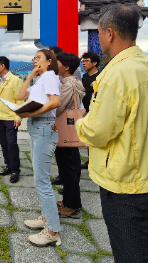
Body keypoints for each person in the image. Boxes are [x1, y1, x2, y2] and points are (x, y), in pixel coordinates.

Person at [76, 4, 148, 262]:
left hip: (124, 179)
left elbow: (98, 131)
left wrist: (79, 123)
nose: (99, 38)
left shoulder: (117, 74)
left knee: (131, 253)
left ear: (109, 33)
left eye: (98, 32)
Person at [15, 49, 62, 247]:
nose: (35, 60)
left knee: (42, 181)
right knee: (39, 177)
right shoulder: (40, 79)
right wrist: (30, 75)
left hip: (43, 127)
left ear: (50, 62)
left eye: (39, 58)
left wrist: (31, 115)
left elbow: (55, 102)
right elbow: (19, 96)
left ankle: (52, 230)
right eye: (33, 58)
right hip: (37, 128)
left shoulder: (50, 76)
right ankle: (46, 218)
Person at [54, 51, 85, 220]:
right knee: (68, 167)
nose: (54, 65)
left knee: (68, 167)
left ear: (66, 67)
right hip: (68, 130)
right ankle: (68, 201)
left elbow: (58, 107)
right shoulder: (72, 82)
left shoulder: (67, 85)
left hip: (66, 129)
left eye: (57, 63)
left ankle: (72, 206)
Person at [0, 56, 24, 183]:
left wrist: (18, 117)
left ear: (2, 66)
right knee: (4, 143)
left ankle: (15, 170)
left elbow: (20, 100)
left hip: (11, 117)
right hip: (0, 117)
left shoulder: (16, 80)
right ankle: (8, 165)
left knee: (12, 143)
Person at [79, 51, 100, 170]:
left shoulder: (100, 77)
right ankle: (90, 161)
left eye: (86, 61)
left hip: (96, 111)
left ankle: (97, 162)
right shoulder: (85, 76)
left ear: (95, 62)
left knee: (95, 137)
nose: (84, 63)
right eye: (83, 61)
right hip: (85, 110)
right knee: (88, 137)